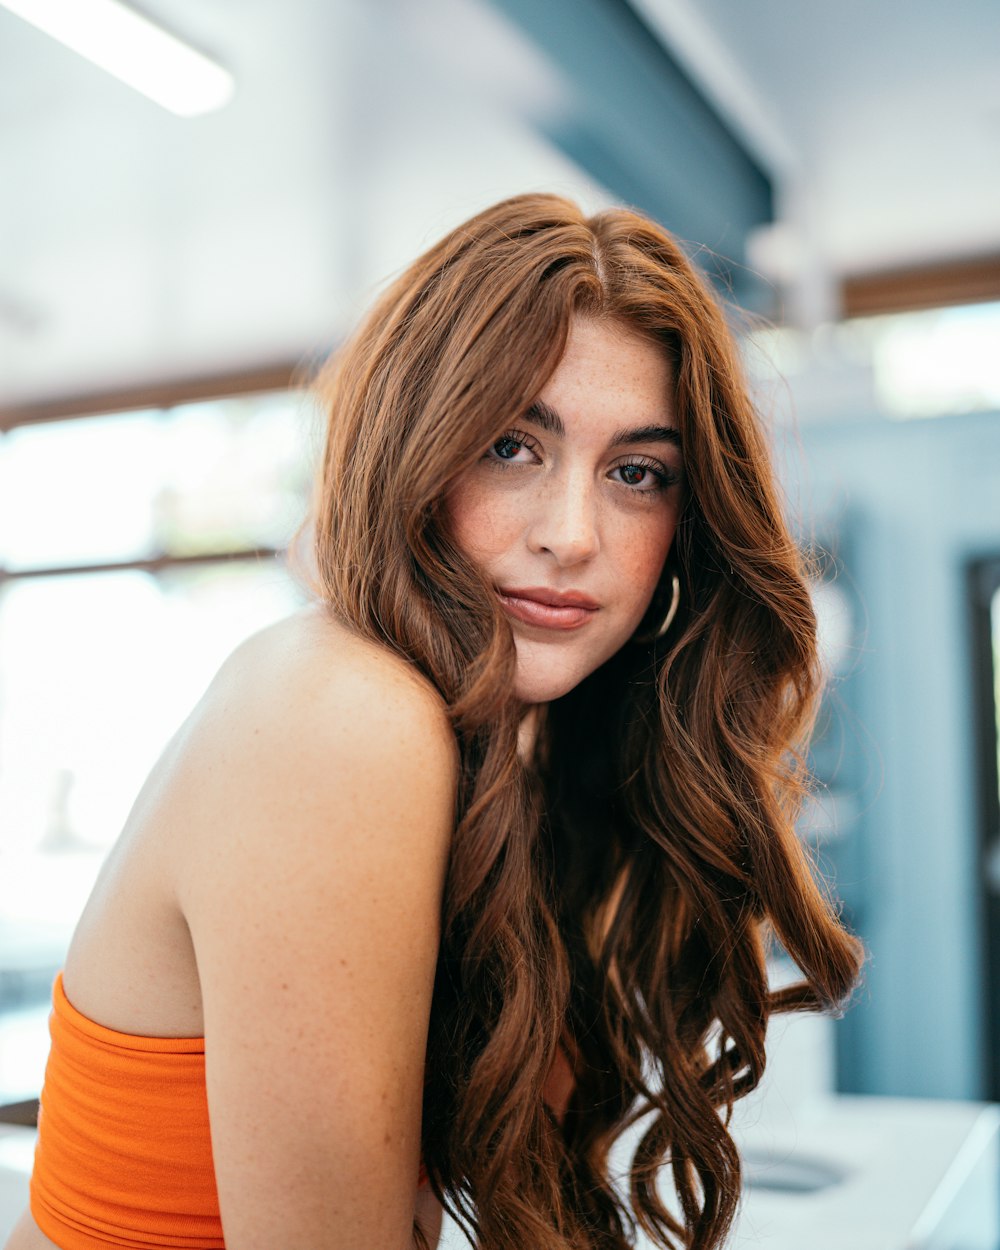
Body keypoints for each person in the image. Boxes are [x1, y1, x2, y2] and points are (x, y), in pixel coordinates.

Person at [5, 193, 863, 1250]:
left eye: (637, 473)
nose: (570, 534)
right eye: (510, 444)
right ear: (417, 446)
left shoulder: (517, 750)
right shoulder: (342, 715)